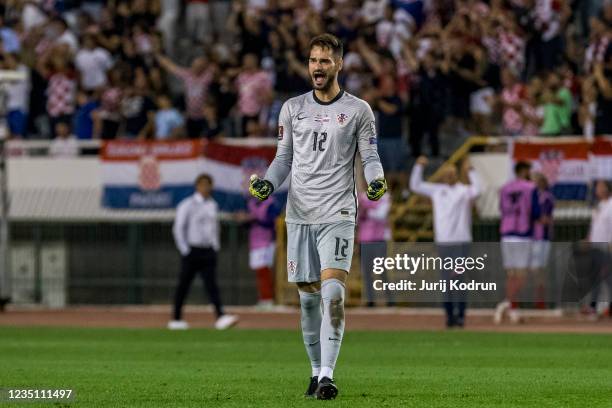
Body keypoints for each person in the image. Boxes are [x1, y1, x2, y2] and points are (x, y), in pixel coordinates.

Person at [248, 33, 386, 400]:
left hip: (338, 212)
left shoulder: (359, 110)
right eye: (313, 60)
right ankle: (314, 371)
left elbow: (370, 157)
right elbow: (283, 159)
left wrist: (376, 182)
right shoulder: (292, 108)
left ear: (339, 64)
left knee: (333, 294)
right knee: (308, 298)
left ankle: (328, 375)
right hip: (299, 214)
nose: (318, 67)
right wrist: (266, 185)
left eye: (325, 61)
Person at [409, 155, 481, 328]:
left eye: (453, 173)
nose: (449, 176)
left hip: (461, 241)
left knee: (460, 280)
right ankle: (449, 316)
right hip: (444, 242)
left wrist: (471, 171)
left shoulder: (463, 190)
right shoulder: (436, 190)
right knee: (446, 281)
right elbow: (415, 185)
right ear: (442, 175)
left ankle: (461, 315)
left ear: (457, 175)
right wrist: (418, 166)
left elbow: (478, 190)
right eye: (447, 173)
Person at [170, 174, 239, 330]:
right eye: (203, 185)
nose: (206, 188)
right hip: (192, 250)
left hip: (208, 251)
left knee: (212, 285)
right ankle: (176, 318)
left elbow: (214, 228)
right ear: (197, 186)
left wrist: (215, 246)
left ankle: (220, 317)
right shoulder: (187, 204)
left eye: (208, 185)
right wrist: (185, 249)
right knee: (183, 285)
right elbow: (178, 228)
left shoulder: (212, 204)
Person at [495, 161, 540, 324]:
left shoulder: (505, 188)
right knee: (521, 276)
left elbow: (501, 208)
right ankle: (507, 303)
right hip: (522, 232)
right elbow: (535, 212)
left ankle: (512, 309)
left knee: (511, 275)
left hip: (506, 233)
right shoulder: (531, 187)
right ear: (523, 171)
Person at [530, 173, 554, 309]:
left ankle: (540, 300)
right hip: (531, 237)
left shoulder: (546, 197)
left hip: (541, 238)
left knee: (539, 269)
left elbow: (545, 218)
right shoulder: (531, 196)